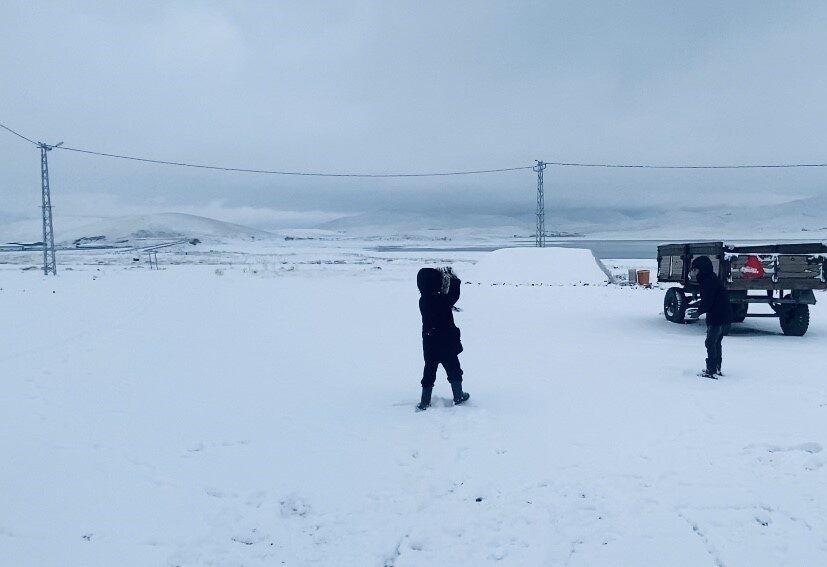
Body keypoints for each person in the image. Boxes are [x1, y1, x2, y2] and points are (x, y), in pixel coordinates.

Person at [415, 266, 470, 410]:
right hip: (446, 343)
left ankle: (425, 401)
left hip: (430, 343)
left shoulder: (423, 300)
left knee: (429, 371)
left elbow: (447, 298)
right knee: (454, 369)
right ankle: (458, 395)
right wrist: (454, 280)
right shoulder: (441, 300)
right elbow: (453, 296)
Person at [686, 256, 732, 379]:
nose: (693, 272)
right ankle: (716, 368)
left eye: (694, 269)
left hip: (718, 315)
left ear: (701, 269)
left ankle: (711, 370)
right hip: (721, 314)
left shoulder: (708, 281)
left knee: (710, 342)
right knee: (716, 342)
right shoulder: (709, 279)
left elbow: (708, 302)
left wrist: (698, 312)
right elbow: (709, 300)